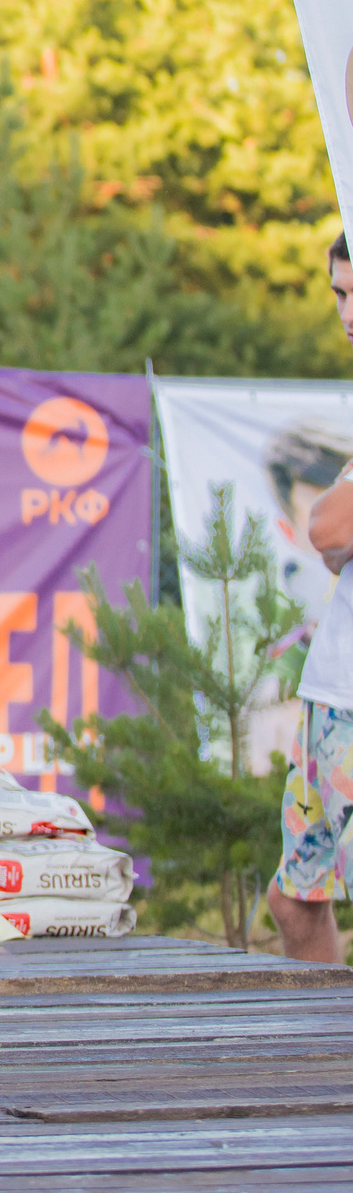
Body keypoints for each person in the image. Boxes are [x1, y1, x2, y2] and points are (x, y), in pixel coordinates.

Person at [271, 231, 353, 965]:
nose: (349, 312)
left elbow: (329, 523)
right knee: (295, 900)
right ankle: (329, 1061)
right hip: (331, 689)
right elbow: (328, 541)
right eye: (339, 293)